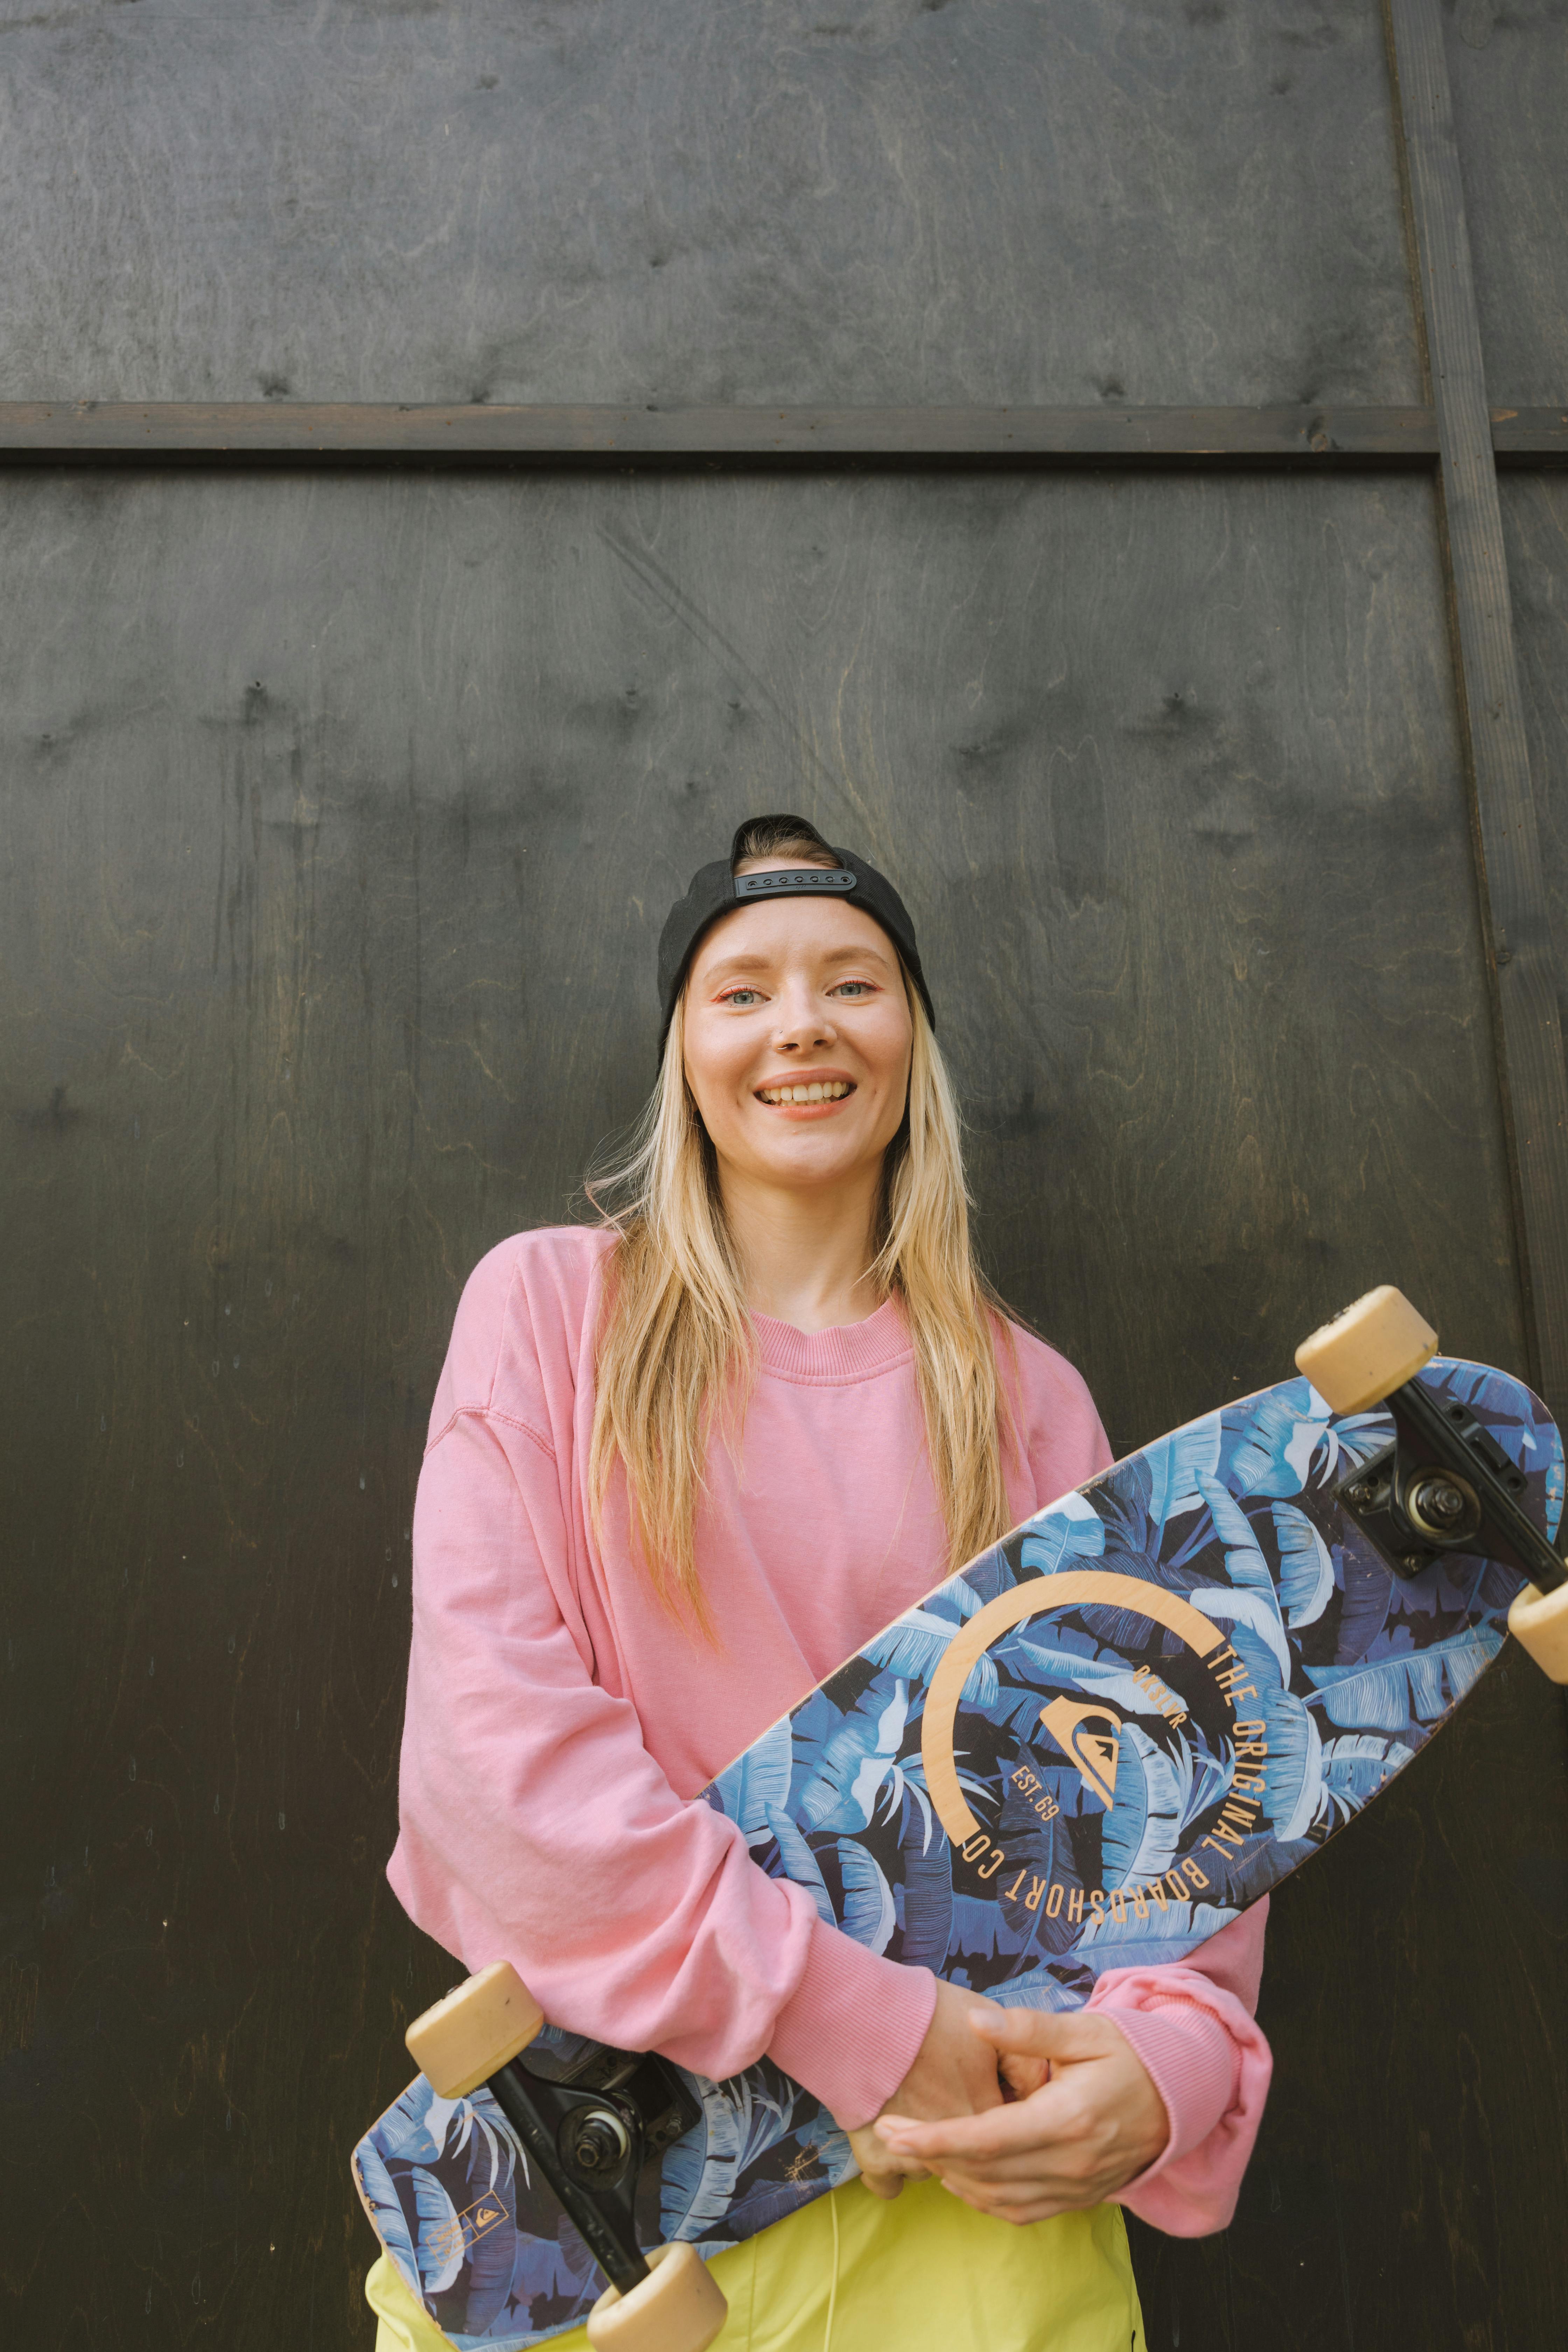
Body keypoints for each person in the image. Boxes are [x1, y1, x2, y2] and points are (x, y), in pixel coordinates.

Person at [366, 816, 1272, 2352]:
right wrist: (865, 2023)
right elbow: (495, 1769)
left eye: (853, 982)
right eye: (743, 991)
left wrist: (1169, 2073)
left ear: (912, 1038)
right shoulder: (550, 1315)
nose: (801, 1023)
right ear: (684, 1054)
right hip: (610, 2223)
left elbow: (1167, 1813)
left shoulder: (1028, 1401)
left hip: (981, 2238)